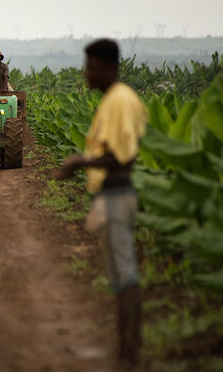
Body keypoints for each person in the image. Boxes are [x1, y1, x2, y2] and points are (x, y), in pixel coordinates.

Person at [54, 39, 147, 369]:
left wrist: (78, 162)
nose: (85, 74)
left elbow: (121, 157)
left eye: (90, 67)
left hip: (116, 195)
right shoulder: (114, 99)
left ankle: (129, 355)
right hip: (114, 196)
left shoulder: (120, 101)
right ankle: (128, 350)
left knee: (124, 278)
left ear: (108, 68)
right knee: (122, 276)